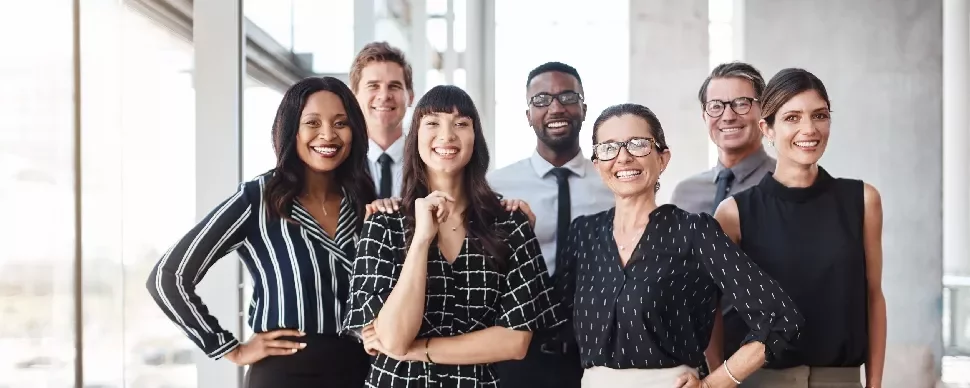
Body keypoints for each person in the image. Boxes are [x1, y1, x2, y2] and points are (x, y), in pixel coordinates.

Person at [146, 77, 377, 388]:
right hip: (283, 376)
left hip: (359, 371)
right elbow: (167, 277)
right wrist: (230, 348)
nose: (328, 134)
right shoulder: (258, 198)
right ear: (291, 129)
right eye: (312, 122)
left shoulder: (362, 201)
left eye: (341, 123)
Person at [560, 103, 804, 388]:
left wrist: (715, 383)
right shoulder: (583, 234)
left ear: (663, 159)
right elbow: (551, 322)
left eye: (638, 144)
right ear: (598, 165)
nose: (623, 157)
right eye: (608, 148)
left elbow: (781, 318)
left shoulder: (693, 231)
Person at [343, 85, 563, 388]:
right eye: (432, 123)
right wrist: (421, 239)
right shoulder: (383, 223)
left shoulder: (510, 223)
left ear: (476, 139)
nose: (447, 135)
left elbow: (514, 341)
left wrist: (417, 350)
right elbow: (394, 338)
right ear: (415, 138)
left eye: (461, 124)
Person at [713, 68, 886, 388]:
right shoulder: (734, 213)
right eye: (792, 118)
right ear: (767, 128)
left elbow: (874, 295)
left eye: (819, 115)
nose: (809, 128)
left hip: (841, 380)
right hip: (761, 381)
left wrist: (874, 384)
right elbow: (714, 313)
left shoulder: (862, 201)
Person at [488, 61, 615, 388]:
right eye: (541, 100)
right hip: (518, 355)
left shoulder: (613, 184)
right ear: (528, 115)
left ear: (584, 109)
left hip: (597, 354)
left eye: (567, 97)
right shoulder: (495, 186)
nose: (555, 107)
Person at [671, 62, 775, 215]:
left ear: (765, 112)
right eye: (716, 106)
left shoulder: (785, 184)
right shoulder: (684, 195)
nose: (728, 117)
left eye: (741, 104)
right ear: (704, 117)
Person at [350, 41, 415, 199]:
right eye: (373, 86)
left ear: (410, 97)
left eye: (394, 86)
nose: (384, 95)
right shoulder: (339, 163)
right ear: (353, 97)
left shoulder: (428, 162)